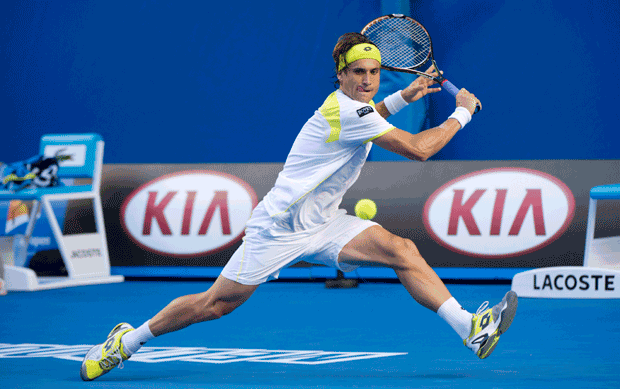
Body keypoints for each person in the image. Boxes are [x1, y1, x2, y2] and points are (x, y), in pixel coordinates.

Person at [80, 32, 517, 381]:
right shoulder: (350, 113)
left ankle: (470, 330)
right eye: (358, 72)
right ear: (341, 76)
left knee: (401, 250)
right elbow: (419, 149)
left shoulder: (353, 109)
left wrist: (408, 95)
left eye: (375, 72)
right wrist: (461, 113)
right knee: (214, 305)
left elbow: (373, 114)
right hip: (278, 228)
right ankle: (127, 342)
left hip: (324, 222)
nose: (367, 80)